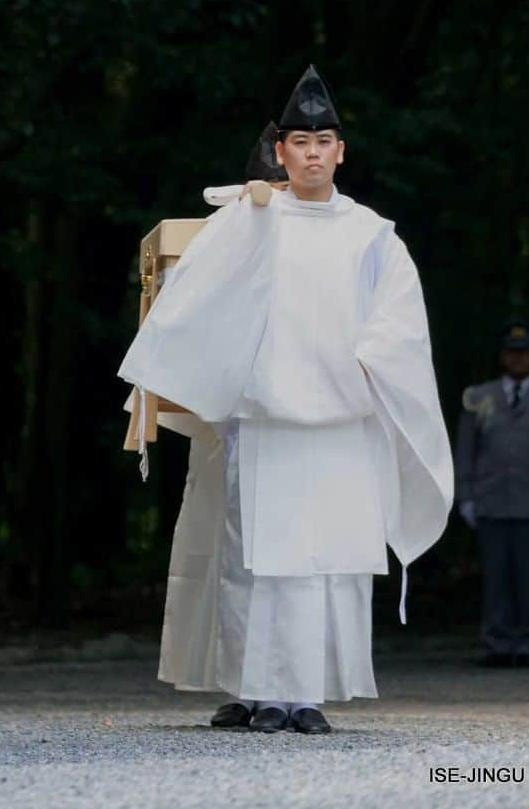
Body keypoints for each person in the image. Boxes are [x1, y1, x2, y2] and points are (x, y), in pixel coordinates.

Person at [120, 66, 453, 735]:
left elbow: (400, 326)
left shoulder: (372, 234)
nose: (310, 152)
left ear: (340, 152)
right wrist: (248, 228)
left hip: (340, 418)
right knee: (258, 557)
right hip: (266, 415)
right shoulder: (247, 217)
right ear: (280, 152)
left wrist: (359, 369)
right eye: (298, 141)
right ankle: (256, 689)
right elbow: (193, 304)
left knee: (328, 559)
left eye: (322, 140)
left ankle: (308, 693)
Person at [456, 320, 529, 668]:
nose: (518, 359)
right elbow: (466, 450)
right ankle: (496, 643)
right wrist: (464, 496)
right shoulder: (479, 396)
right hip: (491, 501)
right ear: (502, 357)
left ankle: (526, 644)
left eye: (525, 353)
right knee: (494, 579)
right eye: (512, 353)